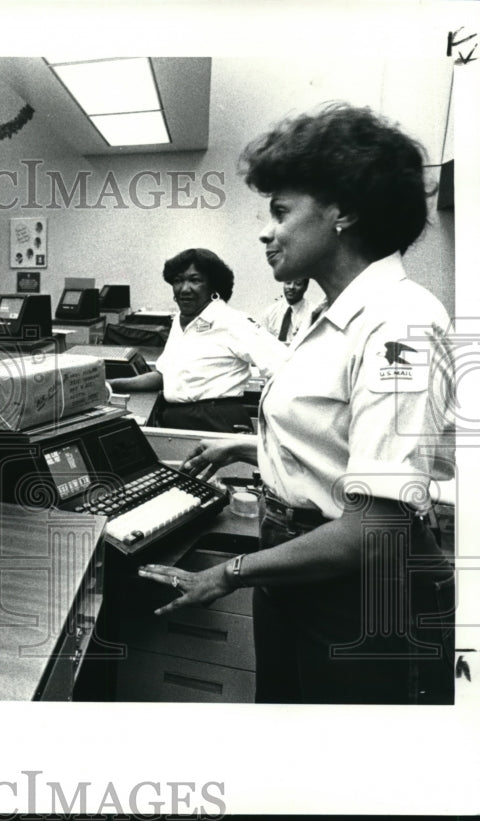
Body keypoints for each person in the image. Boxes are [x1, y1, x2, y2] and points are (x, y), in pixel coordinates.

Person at [138, 103, 456, 704]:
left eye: (281, 212)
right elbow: (336, 444)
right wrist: (248, 445)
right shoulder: (328, 317)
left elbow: (378, 527)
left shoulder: (400, 324)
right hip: (297, 567)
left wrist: (227, 574)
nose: (266, 230)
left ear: (346, 212)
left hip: (362, 595)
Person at [108, 248, 287, 433]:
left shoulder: (231, 321)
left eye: (195, 280)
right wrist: (113, 384)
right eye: (178, 281)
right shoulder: (181, 320)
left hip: (216, 422)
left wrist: (275, 422)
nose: (184, 289)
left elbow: (284, 365)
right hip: (178, 421)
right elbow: (164, 376)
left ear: (213, 286)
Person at [259, 277, 321, 345]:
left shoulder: (313, 313)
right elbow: (261, 341)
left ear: (305, 287)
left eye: (298, 284)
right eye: (288, 283)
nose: (291, 287)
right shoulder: (270, 312)